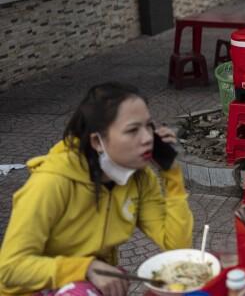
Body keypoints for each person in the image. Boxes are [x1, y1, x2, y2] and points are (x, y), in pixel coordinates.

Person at [0, 83, 193, 295]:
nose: (147, 137)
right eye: (132, 130)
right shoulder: (51, 182)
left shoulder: (140, 179)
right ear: (97, 141)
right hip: (34, 289)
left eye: (148, 126)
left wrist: (172, 174)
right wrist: (85, 267)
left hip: (88, 282)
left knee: (171, 288)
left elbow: (177, 248)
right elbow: (9, 269)